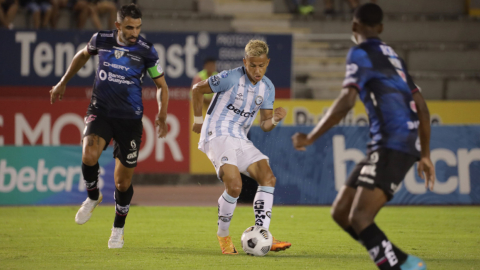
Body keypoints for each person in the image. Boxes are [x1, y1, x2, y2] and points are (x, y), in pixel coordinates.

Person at [292, 3, 434, 270]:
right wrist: (425, 153)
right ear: (380, 28)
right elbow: (423, 108)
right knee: (341, 213)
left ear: (354, 26)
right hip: (392, 143)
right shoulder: (394, 57)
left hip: (393, 143)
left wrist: (311, 136)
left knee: (360, 217)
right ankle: (404, 262)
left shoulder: (359, 53)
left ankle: (397, 267)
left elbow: (347, 101)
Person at [50, 3, 169, 249]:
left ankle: (117, 229)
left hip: (130, 120)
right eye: (129, 27)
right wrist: (63, 82)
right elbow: (82, 55)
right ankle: (93, 196)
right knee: (88, 154)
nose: (134, 32)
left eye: (138, 27)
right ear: (117, 25)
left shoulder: (147, 51)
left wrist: (162, 114)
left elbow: (162, 87)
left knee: (122, 183)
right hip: (101, 111)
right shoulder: (101, 39)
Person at [191, 40, 292, 255]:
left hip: (239, 137)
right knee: (235, 186)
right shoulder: (230, 77)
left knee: (268, 177)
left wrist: (274, 119)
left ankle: (264, 234)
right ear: (244, 61)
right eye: (253, 65)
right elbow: (197, 89)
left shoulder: (267, 87)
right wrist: (198, 119)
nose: (257, 70)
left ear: (268, 62)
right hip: (217, 133)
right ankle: (223, 236)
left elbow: (264, 125)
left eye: (262, 65)